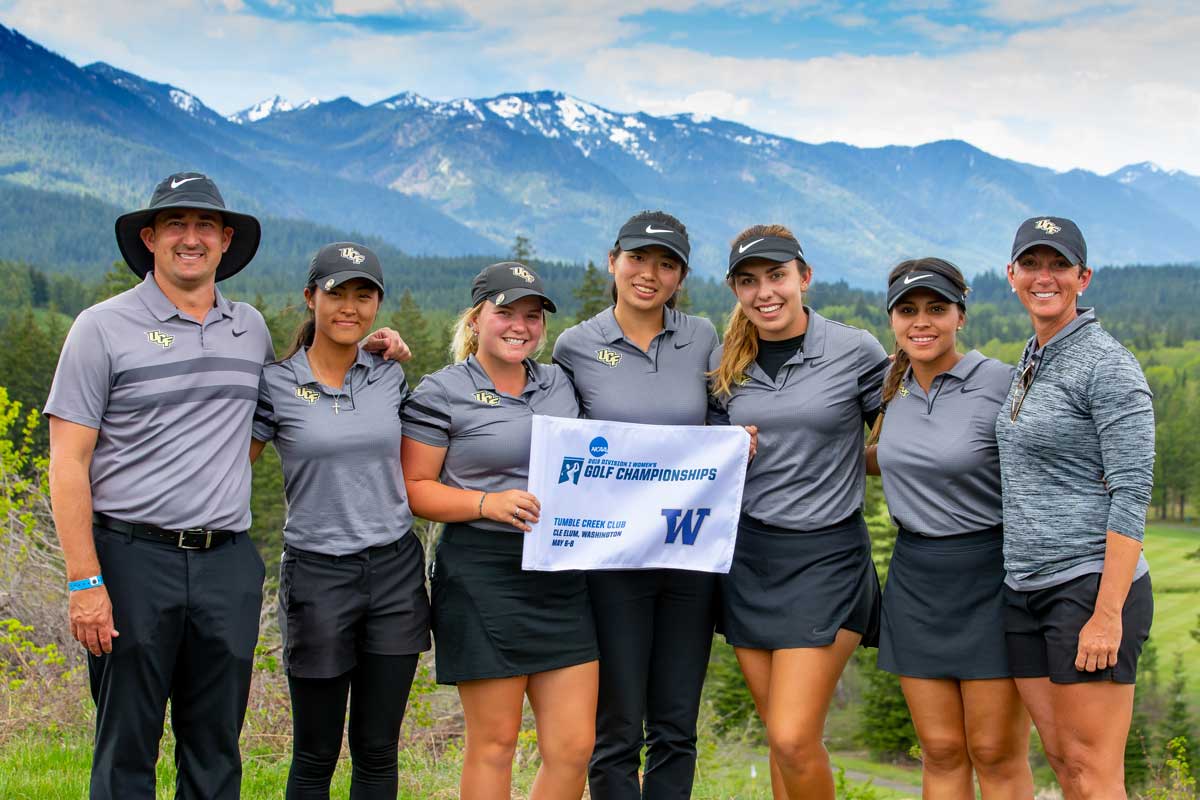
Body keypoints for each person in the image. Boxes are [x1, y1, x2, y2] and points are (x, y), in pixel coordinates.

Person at [43, 172, 409, 800]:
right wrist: (84, 580)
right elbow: (68, 462)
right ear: (151, 238)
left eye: (205, 226)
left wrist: (370, 345)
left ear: (225, 240)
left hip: (226, 564)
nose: (192, 238)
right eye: (177, 226)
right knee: (127, 745)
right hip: (133, 559)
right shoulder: (100, 328)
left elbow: (299, 386)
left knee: (216, 749)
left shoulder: (250, 330)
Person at [400, 262, 598, 800]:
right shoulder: (442, 391)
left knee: (574, 747)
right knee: (495, 743)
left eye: (532, 316)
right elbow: (415, 488)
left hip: (560, 574)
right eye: (505, 312)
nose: (520, 326)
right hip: (482, 574)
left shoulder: (560, 382)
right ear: (476, 317)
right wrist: (486, 503)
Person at [708, 225, 889, 800]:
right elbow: (703, 460)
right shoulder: (723, 362)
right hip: (748, 560)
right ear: (735, 289)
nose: (765, 292)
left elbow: (904, 435)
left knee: (791, 737)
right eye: (748, 280)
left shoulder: (854, 350)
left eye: (777, 276)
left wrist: (846, 460)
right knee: (784, 738)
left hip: (826, 559)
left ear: (803, 278)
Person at [552, 211, 724, 800]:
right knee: (618, 723)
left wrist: (738, 440)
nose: (649, 274)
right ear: (612, 261)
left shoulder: (701, 336)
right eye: (638, 259)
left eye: (667, 263)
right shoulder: (574, 345)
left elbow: (722, 419)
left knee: (676, 723)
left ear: (680, 275)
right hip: (610, 560)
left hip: (687, 555)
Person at [249, 242, 431, 799]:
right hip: (318, 576)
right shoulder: (275, 383)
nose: (349, 307)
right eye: (336, 294)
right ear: (310, 299)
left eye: (364, 295)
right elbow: (229, 468)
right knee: (315, 754)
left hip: (396, 572)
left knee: (377, 751)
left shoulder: (388, 376)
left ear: (377, 305)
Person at [996, 217, 1155, 799]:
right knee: (1064, 763)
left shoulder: (1108, 365)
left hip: (1087, 589)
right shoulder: (1032, 357)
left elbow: (1133, 493)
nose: (1045, 277)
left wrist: (1107, 613)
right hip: (1025, 590)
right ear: (1011, 274)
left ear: (1082, 277)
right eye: (1032, 264)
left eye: (1059, 265)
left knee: (1093, 774)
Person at [865, 258, 1033, 798]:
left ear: (961, 314)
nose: (922, 322)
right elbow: (889, 455)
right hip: (916, 579)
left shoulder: (1001, 382)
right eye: (908, 310)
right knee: (939, 749)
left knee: (994, 751)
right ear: (892, 318)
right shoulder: (890, 386)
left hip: (990, 577)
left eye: (937, 309)